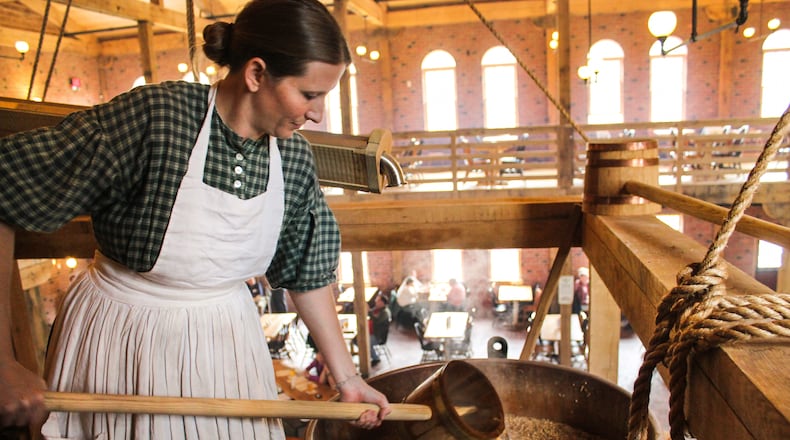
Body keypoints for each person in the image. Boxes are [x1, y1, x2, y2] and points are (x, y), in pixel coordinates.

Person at [0, 0, 390, 437]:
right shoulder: (157, 119)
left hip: (227, 341)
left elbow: (307, 272)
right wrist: (1, 364)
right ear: (256, 74)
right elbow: (4, 189)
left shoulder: (294, 158)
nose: (317, 113)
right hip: (125, 337)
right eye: (309, 94)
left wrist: (349, 379)